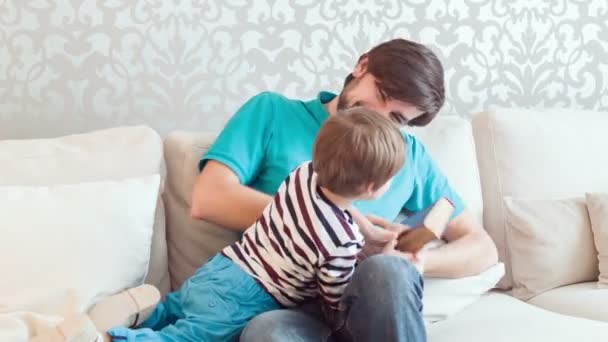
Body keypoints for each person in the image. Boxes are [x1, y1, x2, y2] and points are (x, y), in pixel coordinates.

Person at [192, 38, 498, 342]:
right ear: (361, 66)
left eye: (396, 119)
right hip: (287, 304)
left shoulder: (410, 154)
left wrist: (416, 262)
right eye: (380, 95)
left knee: (387, 271)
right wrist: (342, 228)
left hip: (365, 306)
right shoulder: (274, 112)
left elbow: (482, 248)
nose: (378, 117)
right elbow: (209, 198)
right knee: (266, 333)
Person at [100, 108, 406, 341]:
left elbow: (337, 207)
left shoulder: (304, 174)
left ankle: (141, 313)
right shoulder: (342, 241)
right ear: (369, 188)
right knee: (189, 337)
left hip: (225, 264)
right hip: (250, 296)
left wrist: (365, 229)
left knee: (176, 307)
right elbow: (333, 297)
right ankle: (115, 338)